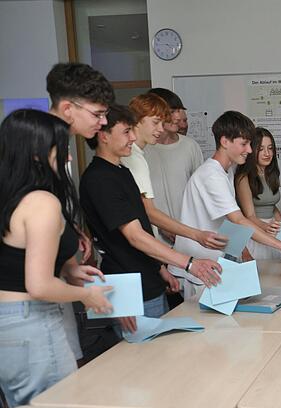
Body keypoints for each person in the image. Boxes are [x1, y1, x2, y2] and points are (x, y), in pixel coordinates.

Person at [0, 110, 112, 407]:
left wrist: (69, 269)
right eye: (60, 149)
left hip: (7, 324)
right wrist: (88, 296)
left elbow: (14, 257)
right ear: (38, 152)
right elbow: (38, 285)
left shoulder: (11, 196)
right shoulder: (42, 202)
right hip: (31, 322)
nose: (68, 158)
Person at [81, 105, 222, 334]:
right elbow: (134, 236)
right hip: (128, 287)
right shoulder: (99, 179)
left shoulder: (121, 171)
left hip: (147, 280)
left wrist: (159, 268)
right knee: (143, 362)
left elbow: (144, 225)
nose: (133, 138)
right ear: (103, 136)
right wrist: (189, 263)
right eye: (126, 132)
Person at [172, 111, 281, 299]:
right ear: (224, 141)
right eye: (244, 144)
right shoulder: (212, 175)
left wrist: (243, 254)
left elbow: (228, 224)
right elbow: (239, 219)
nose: (250, 150)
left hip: (213, 264)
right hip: (199, 267)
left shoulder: (226, 171)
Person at [46, 61, 115, 363]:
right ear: (67, 108)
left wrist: (71, 236)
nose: (103, 123)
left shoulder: (60, 149)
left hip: (57, 290)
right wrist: (86, 294)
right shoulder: (39, 149)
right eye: (97, 114)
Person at [122, 93, 225, 252]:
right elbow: (149, 212)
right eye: (156, 123)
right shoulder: (133, 157)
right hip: (143, 243)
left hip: (155, 241)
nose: (160, 129)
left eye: (162, 123)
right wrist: (196, 235)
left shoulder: (137, 154)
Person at [144, 88, 205, 244]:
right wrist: (163, 226)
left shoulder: (190, 146)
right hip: (152, 237)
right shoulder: (140, 150)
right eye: (172, 111)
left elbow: (200, 192)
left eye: (180, 110)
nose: (178, 117)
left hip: (189, 235)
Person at [234, 127, 281, 260]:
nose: (267, 153)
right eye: (261, 149)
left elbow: (272, 207)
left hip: (272, 230)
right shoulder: (243, 178)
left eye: (270, 148)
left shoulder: (271, 174)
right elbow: (249, 216)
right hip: (254, 232)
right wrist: (266, 227)